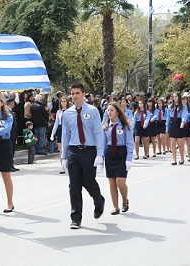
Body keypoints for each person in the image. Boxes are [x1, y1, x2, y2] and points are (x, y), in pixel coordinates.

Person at [61, 82, 105, 229]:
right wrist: (64, 156)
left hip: (89, 150)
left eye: (77, 93)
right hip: (74, 150)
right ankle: (75, 218)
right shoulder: (67, 113)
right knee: (74, 185)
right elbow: (65, 136)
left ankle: (99, 201)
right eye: (72, 93)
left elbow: (98, 133)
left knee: (89, 182)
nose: (74, 96)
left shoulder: (92, 111)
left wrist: (100, 154)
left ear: (83, 94)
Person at [102, 102, 134, 215]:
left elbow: (130, 143)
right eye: (108, 110)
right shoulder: (106, 127)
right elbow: (104, 144)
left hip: (121, 154)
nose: (109, 112)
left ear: (117, 112)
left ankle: (125, 201)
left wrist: (129, 159)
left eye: (111, 110)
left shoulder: (125, 125)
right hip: (110, 154)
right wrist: (101, 158)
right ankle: (115, 207)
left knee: (120, 182)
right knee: (112, 182)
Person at [50, 96, 71, 174]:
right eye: (62, 101)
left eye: (65, 101)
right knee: (61, 149)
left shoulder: (70, 111)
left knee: (68, 148)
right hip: (60, 129)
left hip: (68, 129)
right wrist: (53, 133)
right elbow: (56, 123)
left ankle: (69, 164)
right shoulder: (59, 112)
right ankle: (62, 166)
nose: (63, 103)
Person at [166, 92, 187, 165]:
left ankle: (182, 158)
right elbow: (168, 118)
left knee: (180, 143)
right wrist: (167, 127)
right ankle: (174, 160)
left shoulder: (183, 107)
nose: (175, 98)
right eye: (173, 97)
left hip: (179, 123)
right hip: (172, 124)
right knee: (173, 143)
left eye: (176, 97)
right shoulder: (170, 107)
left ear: (179, 97)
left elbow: (184, 115)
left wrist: (183, 122)